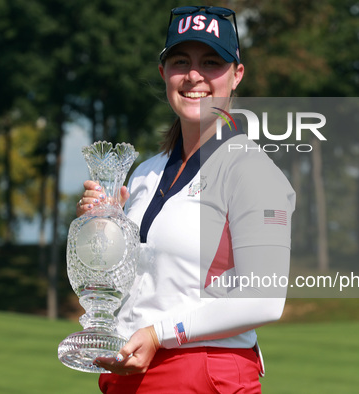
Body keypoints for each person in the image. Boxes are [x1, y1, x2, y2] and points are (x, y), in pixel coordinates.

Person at [75, 5, 295, 393]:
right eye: (181, 61)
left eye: (212, 62)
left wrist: (160, 334)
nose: (194, 75)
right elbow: (141, 287)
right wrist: (101, 233)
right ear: (163, 73)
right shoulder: (144, 172)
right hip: (129, 373)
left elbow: (265, 300)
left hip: (203, 373)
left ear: (236, 74)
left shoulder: (252, 171)